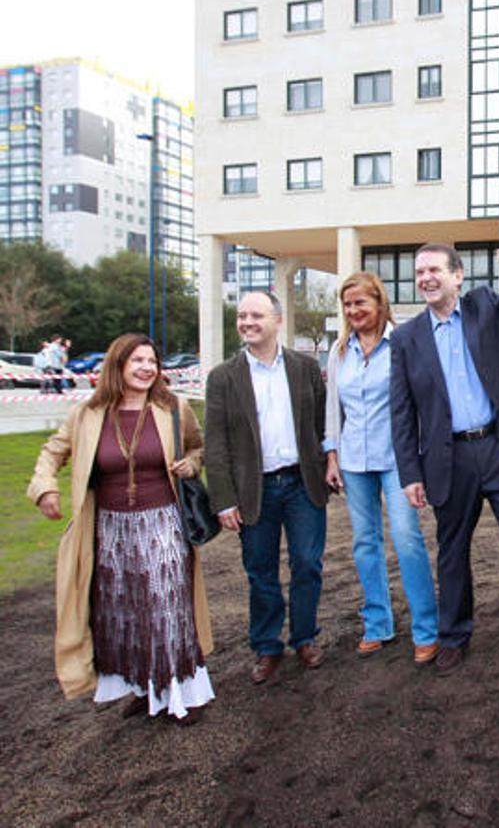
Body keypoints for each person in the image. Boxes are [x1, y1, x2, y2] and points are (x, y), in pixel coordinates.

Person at [390, 211, 499, 676]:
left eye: (435, 270)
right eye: (420, 272)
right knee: (452, 551)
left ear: (457, 276)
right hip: (448, 460)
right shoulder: (406, 339)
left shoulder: (485, 307)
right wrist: (410, 473)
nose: (426, 278)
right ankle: (454, 635)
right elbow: (402, 413)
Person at [27, 333, 214, 722]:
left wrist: (192, 464)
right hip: (111, 531)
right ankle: (145, 688)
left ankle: (183, 693)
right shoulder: (88, 414)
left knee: (166, 607)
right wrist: (45, 488)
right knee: (124, 612)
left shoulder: (173, 408)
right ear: (118, 366)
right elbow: (52, 452)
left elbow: (199, 446)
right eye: (138, 361)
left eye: (152, 361)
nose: (147, 368)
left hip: (163, 522)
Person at [205, 291, 330, 684]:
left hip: (301, 483)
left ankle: (305, 637)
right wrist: (223, 499)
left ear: (277, 320)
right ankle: (267, 646)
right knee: (260, 571)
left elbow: (323, 424)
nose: (247, 322)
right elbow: (216, 443)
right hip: (253, 490)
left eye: (256, 315)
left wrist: (331, 463)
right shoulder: (223, 377)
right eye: (242, 316)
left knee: (307, 564)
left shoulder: (306, 368)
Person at [324, 272, 439, 664]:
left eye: (361, 303)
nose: (354, 311)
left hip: (397, 460)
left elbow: (420, 404)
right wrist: (332, 456)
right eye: (348, 305)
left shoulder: (403, 344)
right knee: (364, 543)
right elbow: (332, 411)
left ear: (379, 303)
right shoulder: (339, 352)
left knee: (407, 539)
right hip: (354, 460)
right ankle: (377, 624)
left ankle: (426, 629)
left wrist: (421, 461)